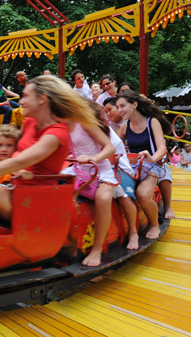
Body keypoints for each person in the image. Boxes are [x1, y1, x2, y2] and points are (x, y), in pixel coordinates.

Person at [0, 76, 98, 238]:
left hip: (36, 201)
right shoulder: (29, 122)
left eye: (27, 96)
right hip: (17, 189)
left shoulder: (56, 134)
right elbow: (12, 147)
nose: (21, 101)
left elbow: (19, 161)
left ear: (42, 99)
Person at [62, 99, 116, 266]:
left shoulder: (84, 122)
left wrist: (93, 158)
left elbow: (109, 147)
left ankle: (97, 249)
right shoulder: (61, 124)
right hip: (79, 171)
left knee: (104, 199)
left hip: (100, 171)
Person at [116, 90, 175, 238]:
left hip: (152, 164)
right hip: (132, 166)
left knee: (142, 194)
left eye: (122, 106)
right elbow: (115, 147)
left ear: (134, 104)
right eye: (117, 107)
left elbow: (162, 147)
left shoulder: (152, 122)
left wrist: (153, 157)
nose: (119, 110)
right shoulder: (124, 126)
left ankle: (154, 224)